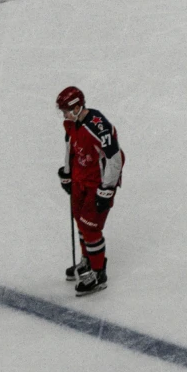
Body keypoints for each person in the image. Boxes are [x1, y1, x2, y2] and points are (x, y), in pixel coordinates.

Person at [56, 85, 123, 297]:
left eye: (66, 109)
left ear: (77, 107)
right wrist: (67, 173)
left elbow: (115, 158)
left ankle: (98, 273)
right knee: (80, 220)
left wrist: (107, 189)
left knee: (90, 227)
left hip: (96, 183)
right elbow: (71, 147)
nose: (64, 114)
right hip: (79, 179)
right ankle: (87, 261)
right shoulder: (71, 123)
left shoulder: (99, 127)